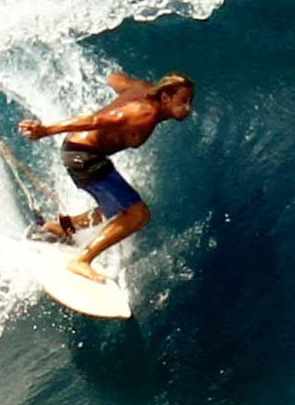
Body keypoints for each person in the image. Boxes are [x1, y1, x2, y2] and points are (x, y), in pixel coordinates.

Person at [20, 71, 195, 282]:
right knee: (138, 215)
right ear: (165, 98)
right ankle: (82, 260)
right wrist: (46, 130)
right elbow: (95, 120)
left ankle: (57, 228)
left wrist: (115, 83)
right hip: (83, 156)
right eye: (183, 101)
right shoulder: (145, 113)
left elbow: (114, 78)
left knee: (118, 206)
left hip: (83, 152)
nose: (188, 108)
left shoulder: (143, 88)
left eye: (190, 101)